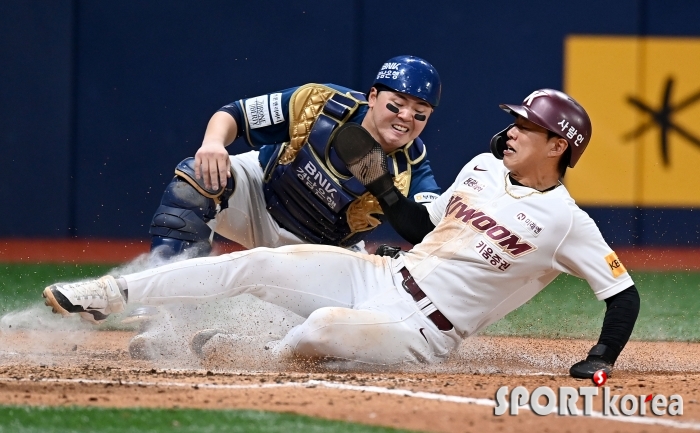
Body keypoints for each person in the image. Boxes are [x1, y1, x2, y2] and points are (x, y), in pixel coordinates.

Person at [42, 89, 640, 378]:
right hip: (381, 274)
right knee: (257, 266)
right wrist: (382, 187)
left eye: (524, 126)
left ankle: (256, 352)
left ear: (558, 146)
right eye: (512, 122)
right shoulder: (482, 168)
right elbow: (419, 229)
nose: (508, 131)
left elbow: (623, 293)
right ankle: (111, 294)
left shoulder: (567, 222)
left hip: (423, 330)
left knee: (320, 329)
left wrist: (601, 357)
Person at [149, 55, 442, 258]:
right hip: (259, 195)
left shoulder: (413, 167)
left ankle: (226, 340)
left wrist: (388, 193)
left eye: (420, 113)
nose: (406, 116)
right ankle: (162, 307)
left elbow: (428, 231)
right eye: (396, 104)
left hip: (322, 251)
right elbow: (235, 114)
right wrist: (213, 143)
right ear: (374, 97)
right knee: (196, 178)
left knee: (332, 335)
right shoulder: (320, 103)